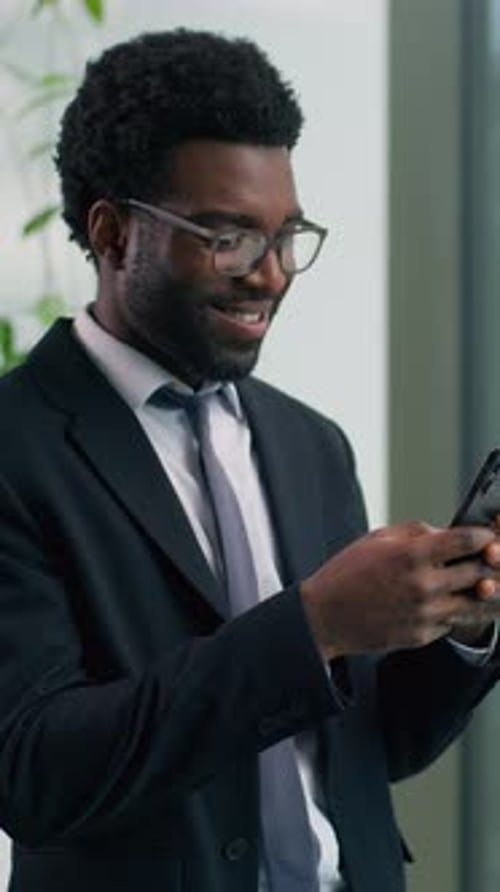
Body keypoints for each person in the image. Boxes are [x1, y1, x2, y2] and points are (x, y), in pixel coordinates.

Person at [0, 28, 500, 892]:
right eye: (228, 237)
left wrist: (461, 626)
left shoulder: (311, 444)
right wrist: (314, 625)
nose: (270, 275)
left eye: (288, 235)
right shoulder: (18, 444)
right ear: (114, 233)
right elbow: (36, 772)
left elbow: (368, 747)